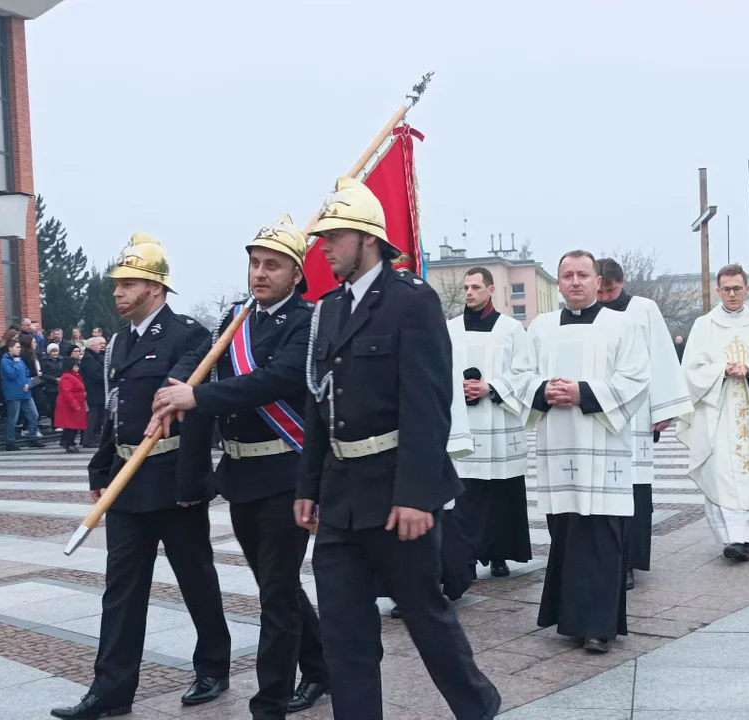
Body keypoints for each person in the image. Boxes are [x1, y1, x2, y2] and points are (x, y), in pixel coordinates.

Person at [295, 177, 500, 719]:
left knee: (427, 617)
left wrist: (416, 494)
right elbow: (321, 402)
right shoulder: (327, 308)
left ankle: (478, 706)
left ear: (366, 237)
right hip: (339, 499)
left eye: (333, 236)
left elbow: (428, 405)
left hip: (395, 494)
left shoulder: (412, 301)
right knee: (343, 633)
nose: (324, 247)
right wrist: (307, 486)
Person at [151, 217, 330, 718]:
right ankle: (320, 668)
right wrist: (177, 386)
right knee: (280, 586)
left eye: (272, 265)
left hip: (286, 474)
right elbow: (205, 363)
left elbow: (277, 379)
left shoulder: (309, 320)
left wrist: (198, 395)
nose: (260, 273)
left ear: (296, 273)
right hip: (242, 476)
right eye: (254, 263)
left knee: (275, 594)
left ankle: (268, 703)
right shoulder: (237, 319)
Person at [52, 234, 231, 720]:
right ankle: (111, 688)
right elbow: (116, 413)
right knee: (122, 586)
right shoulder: (119, 343)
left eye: (129, 284)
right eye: (117, 284)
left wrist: (194, 483)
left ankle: (213, 665)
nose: (118, 293)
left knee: (196, 578)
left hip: (173, 480)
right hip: (129, 482)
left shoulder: (189, 335)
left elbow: (193, 413)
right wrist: (100, 468)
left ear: (155, 288)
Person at [507, 250, 649, 653]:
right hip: (559, 445)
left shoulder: (622, 325)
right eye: (567, 275)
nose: (574, 282)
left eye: (582, 275)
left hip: (602, 446)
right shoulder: (541, 328)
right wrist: (542, 390)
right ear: (559, 282)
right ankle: (570, 620)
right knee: (566, 533)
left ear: (596, 280)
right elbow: (518, 375)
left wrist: (583, 392)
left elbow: (637, 377)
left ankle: (599, 627)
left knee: (602, 536)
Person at [678, 264, 749, 562]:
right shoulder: (704, 325)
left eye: (737, 288)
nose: (732, 294)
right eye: (726, 288)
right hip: (719, 413)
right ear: (718, 291)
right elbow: (691, 370)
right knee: (721, 474)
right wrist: (722, 370)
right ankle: (731, 538)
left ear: (747, 289)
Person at [598, 258, 693, 590]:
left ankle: (629, 563)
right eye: (601, 290)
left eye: (610, 290)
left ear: (621, 283)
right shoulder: (590, 314)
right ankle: (605, 559)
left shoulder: (644, 310)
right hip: (601, 412)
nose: (606, 296)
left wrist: (662, 409)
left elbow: (663, 359)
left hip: (637, 415)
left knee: (636, 491)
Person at [447, 266, 532, 579]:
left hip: (498, 421)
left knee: (499, 492)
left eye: (476, 287)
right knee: (464, 495)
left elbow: (524, 371)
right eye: (466, 287)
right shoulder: (451, 328)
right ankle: (464, 558)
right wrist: (461, 387)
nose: (469, 292)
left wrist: (490, 387)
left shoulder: (511, 329)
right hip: (463, 422)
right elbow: (439, 366)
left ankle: (499, 555)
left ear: (491, 290)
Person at [0, 339, 41, 451]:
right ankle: (10, 441)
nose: (19, 349)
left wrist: (28, 384)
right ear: (10, 348)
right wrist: (17, 363)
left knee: (34, 415)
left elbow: (27, 374)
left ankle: (33, 437)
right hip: (13, 394)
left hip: (25, 392)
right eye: (17, 347)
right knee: (13, 418)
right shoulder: (5, 361)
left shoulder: (20, 360)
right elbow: (11, 375)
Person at [55, 356, 88, 453]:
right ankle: (68, 443)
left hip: (75, 403)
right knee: (71, 425)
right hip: (69, 405)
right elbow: (67, 392)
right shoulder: (67, 377)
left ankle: (68, 442)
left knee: (73, 425)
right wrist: (75, 404)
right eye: (75, 366)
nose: (77, 368)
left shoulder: (73, 376)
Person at [80, 337, 107, 447]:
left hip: (98, 391)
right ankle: (87, 438)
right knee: (92, 416)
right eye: (97, 345)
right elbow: (96, 374)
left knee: (98, 416)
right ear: (91, 346)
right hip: (93, 391)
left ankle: (95, 436)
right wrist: (106, 379)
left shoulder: (96, 357)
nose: (100, 347)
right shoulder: (88, 358)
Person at [40, 343, 63, 421]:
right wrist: (54, 379)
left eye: (56, 351)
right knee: (54, 405)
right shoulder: (44, 361)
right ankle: (55, 424)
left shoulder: (61, 360)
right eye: (53, 351)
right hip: (50, 386)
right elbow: (43, 374)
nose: (55, 353)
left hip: (61, 385)